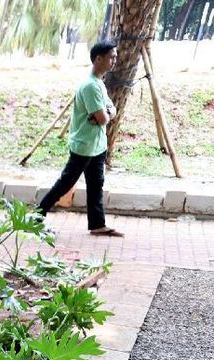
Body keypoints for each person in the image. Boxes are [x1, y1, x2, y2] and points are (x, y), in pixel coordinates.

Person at [37, 40, 123, 237]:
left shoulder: (99, 83)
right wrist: (105, 114)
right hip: (84, 145)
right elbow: (103, 117)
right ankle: (35, 217)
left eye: (115, 57)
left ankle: (97, 224)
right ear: (98, 59)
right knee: (65, 184)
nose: (114, 61)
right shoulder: (90, 86)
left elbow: (110, 111)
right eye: (111, 57)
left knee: (96, 185)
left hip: (97, 145)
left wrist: (106, 114)